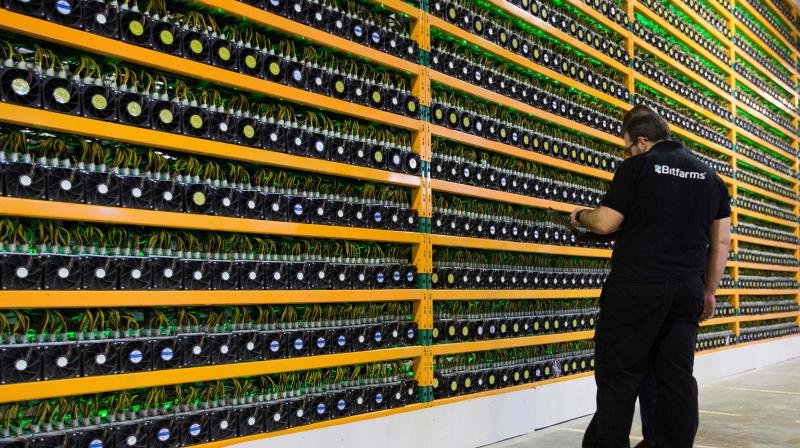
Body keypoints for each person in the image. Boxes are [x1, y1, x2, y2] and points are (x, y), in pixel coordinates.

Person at [570, 105, 731, 448]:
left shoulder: (637, 168)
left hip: (637, 288)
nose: (626, 153)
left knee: (620, 376)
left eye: (626, 147)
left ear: (642, 142)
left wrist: (579, 215)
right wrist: (709, 292)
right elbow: (721, 241)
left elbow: (605, 222)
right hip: (686, 290)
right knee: (676, 379)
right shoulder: (710, 176)